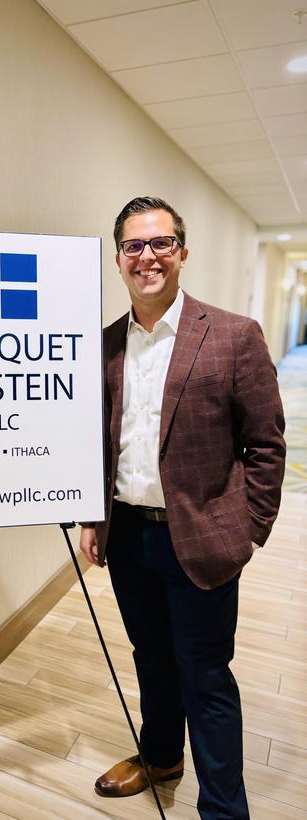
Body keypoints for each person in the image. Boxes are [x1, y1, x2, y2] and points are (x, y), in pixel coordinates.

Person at [79, 197, 286, 820]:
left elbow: (265, 445)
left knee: (206, 675)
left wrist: (246, 530)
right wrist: (92, 514)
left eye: (161, 243)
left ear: (182, 253)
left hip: (200, 538)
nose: (147, 256)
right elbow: (100, 439)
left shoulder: (233, 335)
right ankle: (162, 756)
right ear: (118, 259)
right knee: (151, 658)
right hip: (127, 536)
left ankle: (223, 808)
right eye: (134, 246)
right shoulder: (104, 345)